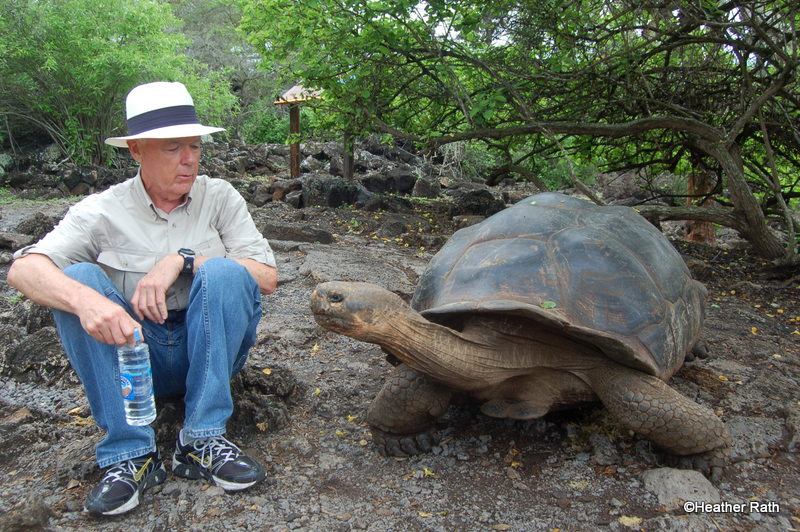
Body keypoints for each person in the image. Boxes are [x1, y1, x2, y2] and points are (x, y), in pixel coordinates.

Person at [8, 81, 278, 517]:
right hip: (133, 359)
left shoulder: (220, 197)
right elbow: (24, 269)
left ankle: (202, 438)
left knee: (226, 270)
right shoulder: (102, 209)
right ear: (136, 150)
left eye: (194, 146)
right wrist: (86, 301)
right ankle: (129, 454)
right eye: (173, 148)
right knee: (77, 278)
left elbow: (267, 278)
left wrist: (183, 260)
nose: (189, 159)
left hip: (205, 351)